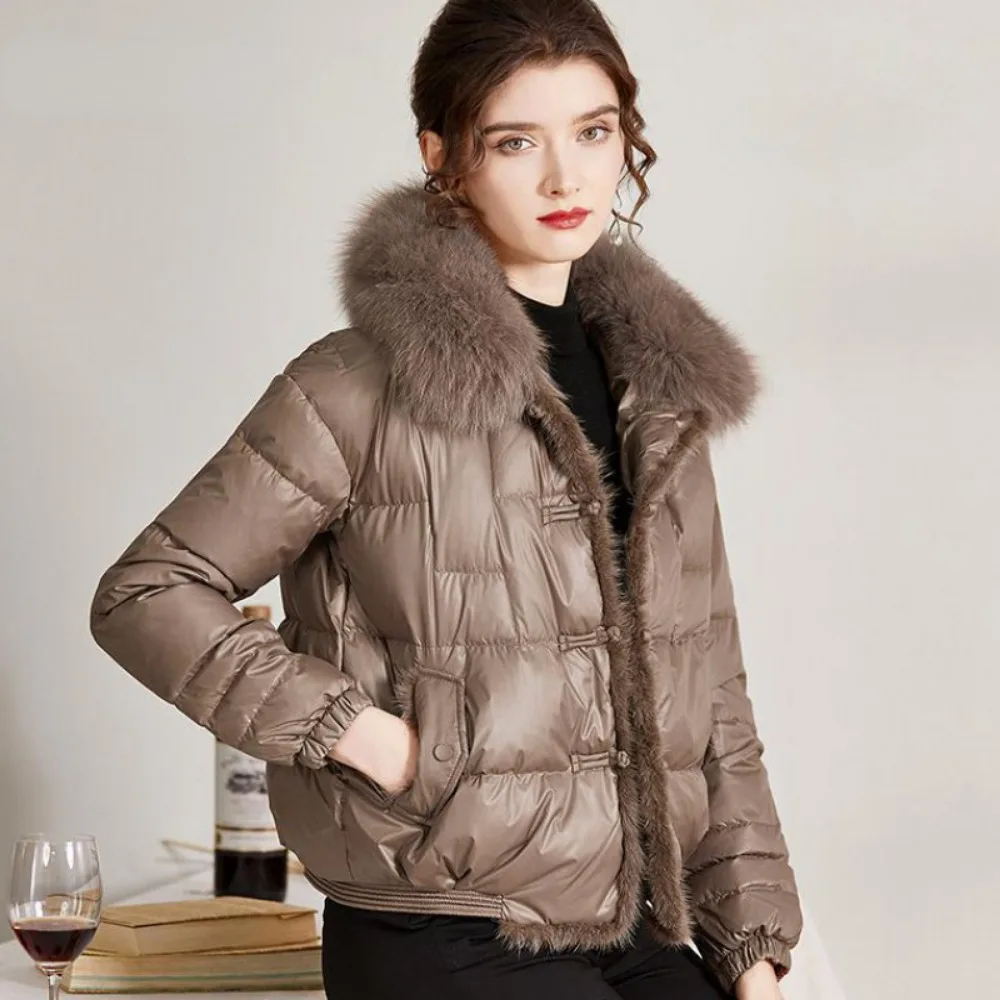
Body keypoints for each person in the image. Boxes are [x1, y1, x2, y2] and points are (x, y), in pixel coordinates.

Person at [89, 1, 803, 997]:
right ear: (443, 157)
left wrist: (753, 946)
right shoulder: (358, 385)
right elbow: (147, 592)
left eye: (592, 132)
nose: (565, 178)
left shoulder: (660, 393)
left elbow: (710, 684)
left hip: (638, 919)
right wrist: (364, 735)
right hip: (442, 924)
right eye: (516, 142)